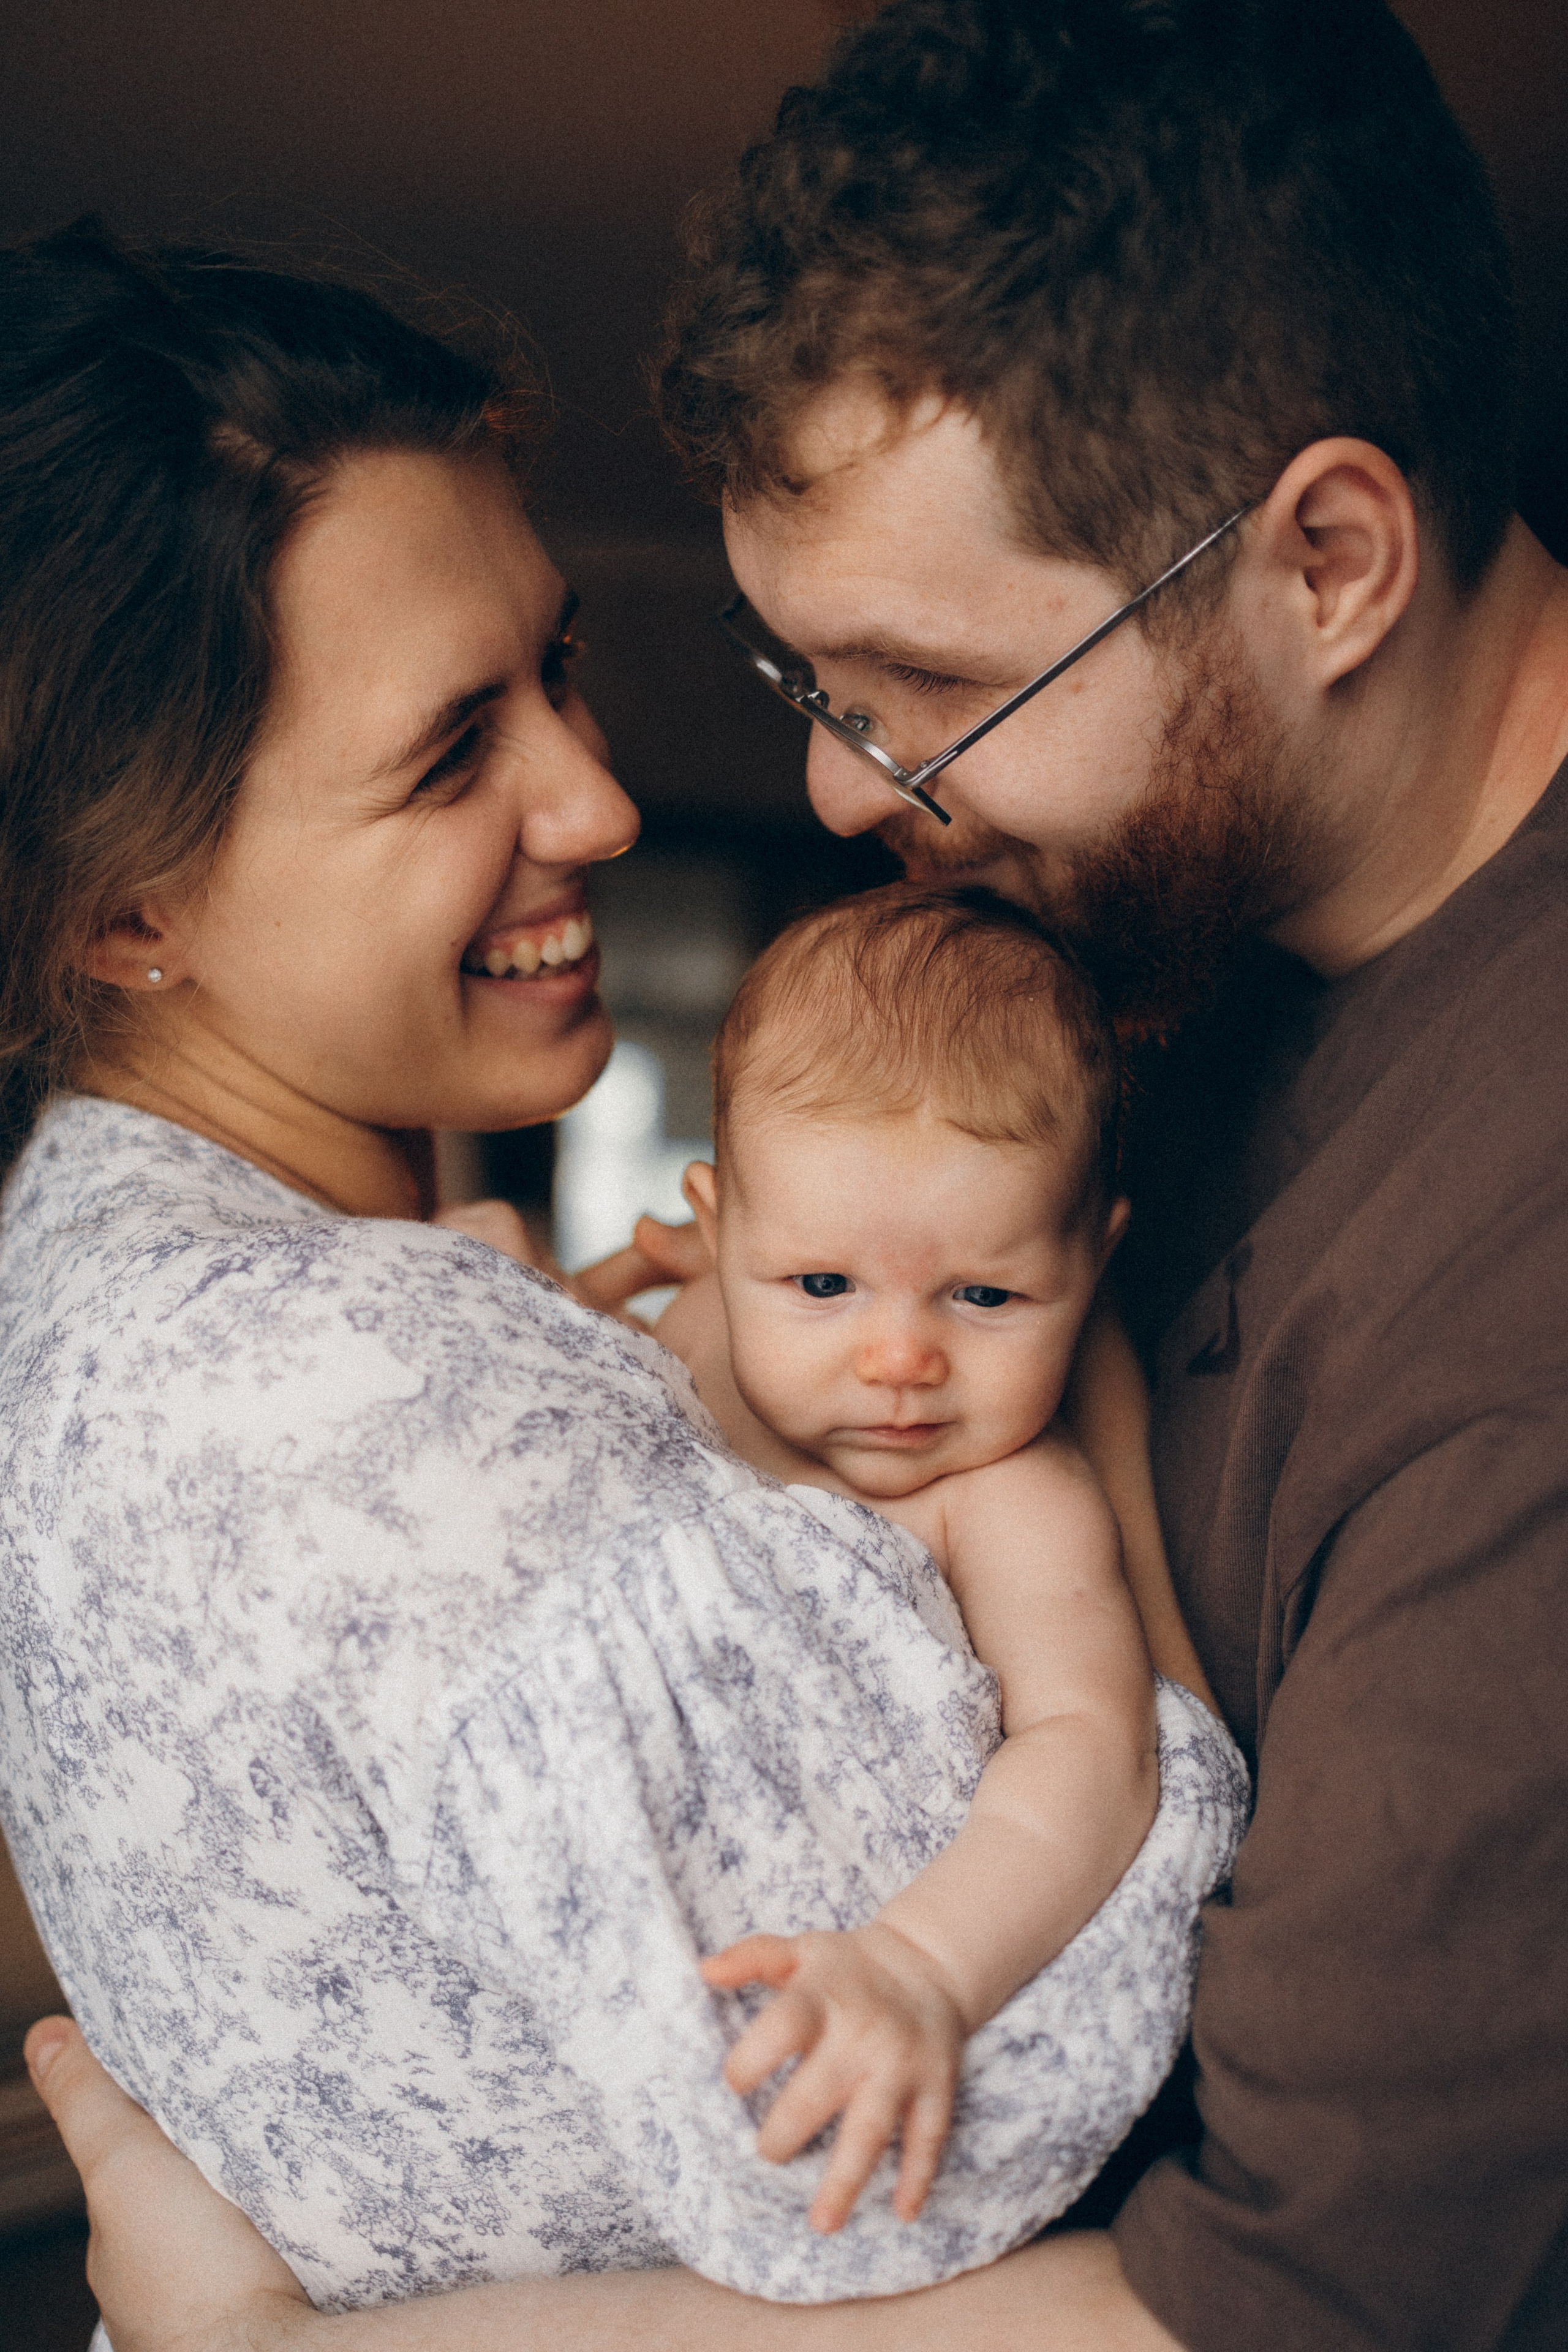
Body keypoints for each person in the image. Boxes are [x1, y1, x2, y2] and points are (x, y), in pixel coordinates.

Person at [34, 0, 1568, 2346]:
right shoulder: (1157, 935)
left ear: (1332, 562)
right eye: (813, 695)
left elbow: (1290, 2308)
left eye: (933, 689)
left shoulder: (1520, 1307)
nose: (851, 799)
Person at [0, 216, 1243, 2330]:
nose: (593, 796)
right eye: (446, 749)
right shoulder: (345, 1383)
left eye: (556, 667)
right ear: (131, 918)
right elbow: (1009, 2062)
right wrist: (1074, 1371)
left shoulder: (143, 1293)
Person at [668, 883, 1224, 2234]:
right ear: (715, 1228)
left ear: (1089, 1265)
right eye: (819, 1288)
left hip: (869, 1975)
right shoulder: (685, 1349)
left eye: (984, 1297)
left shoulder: (1011, 1503)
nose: (899, 1358)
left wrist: (921, 1965)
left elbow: (1089, 1754)